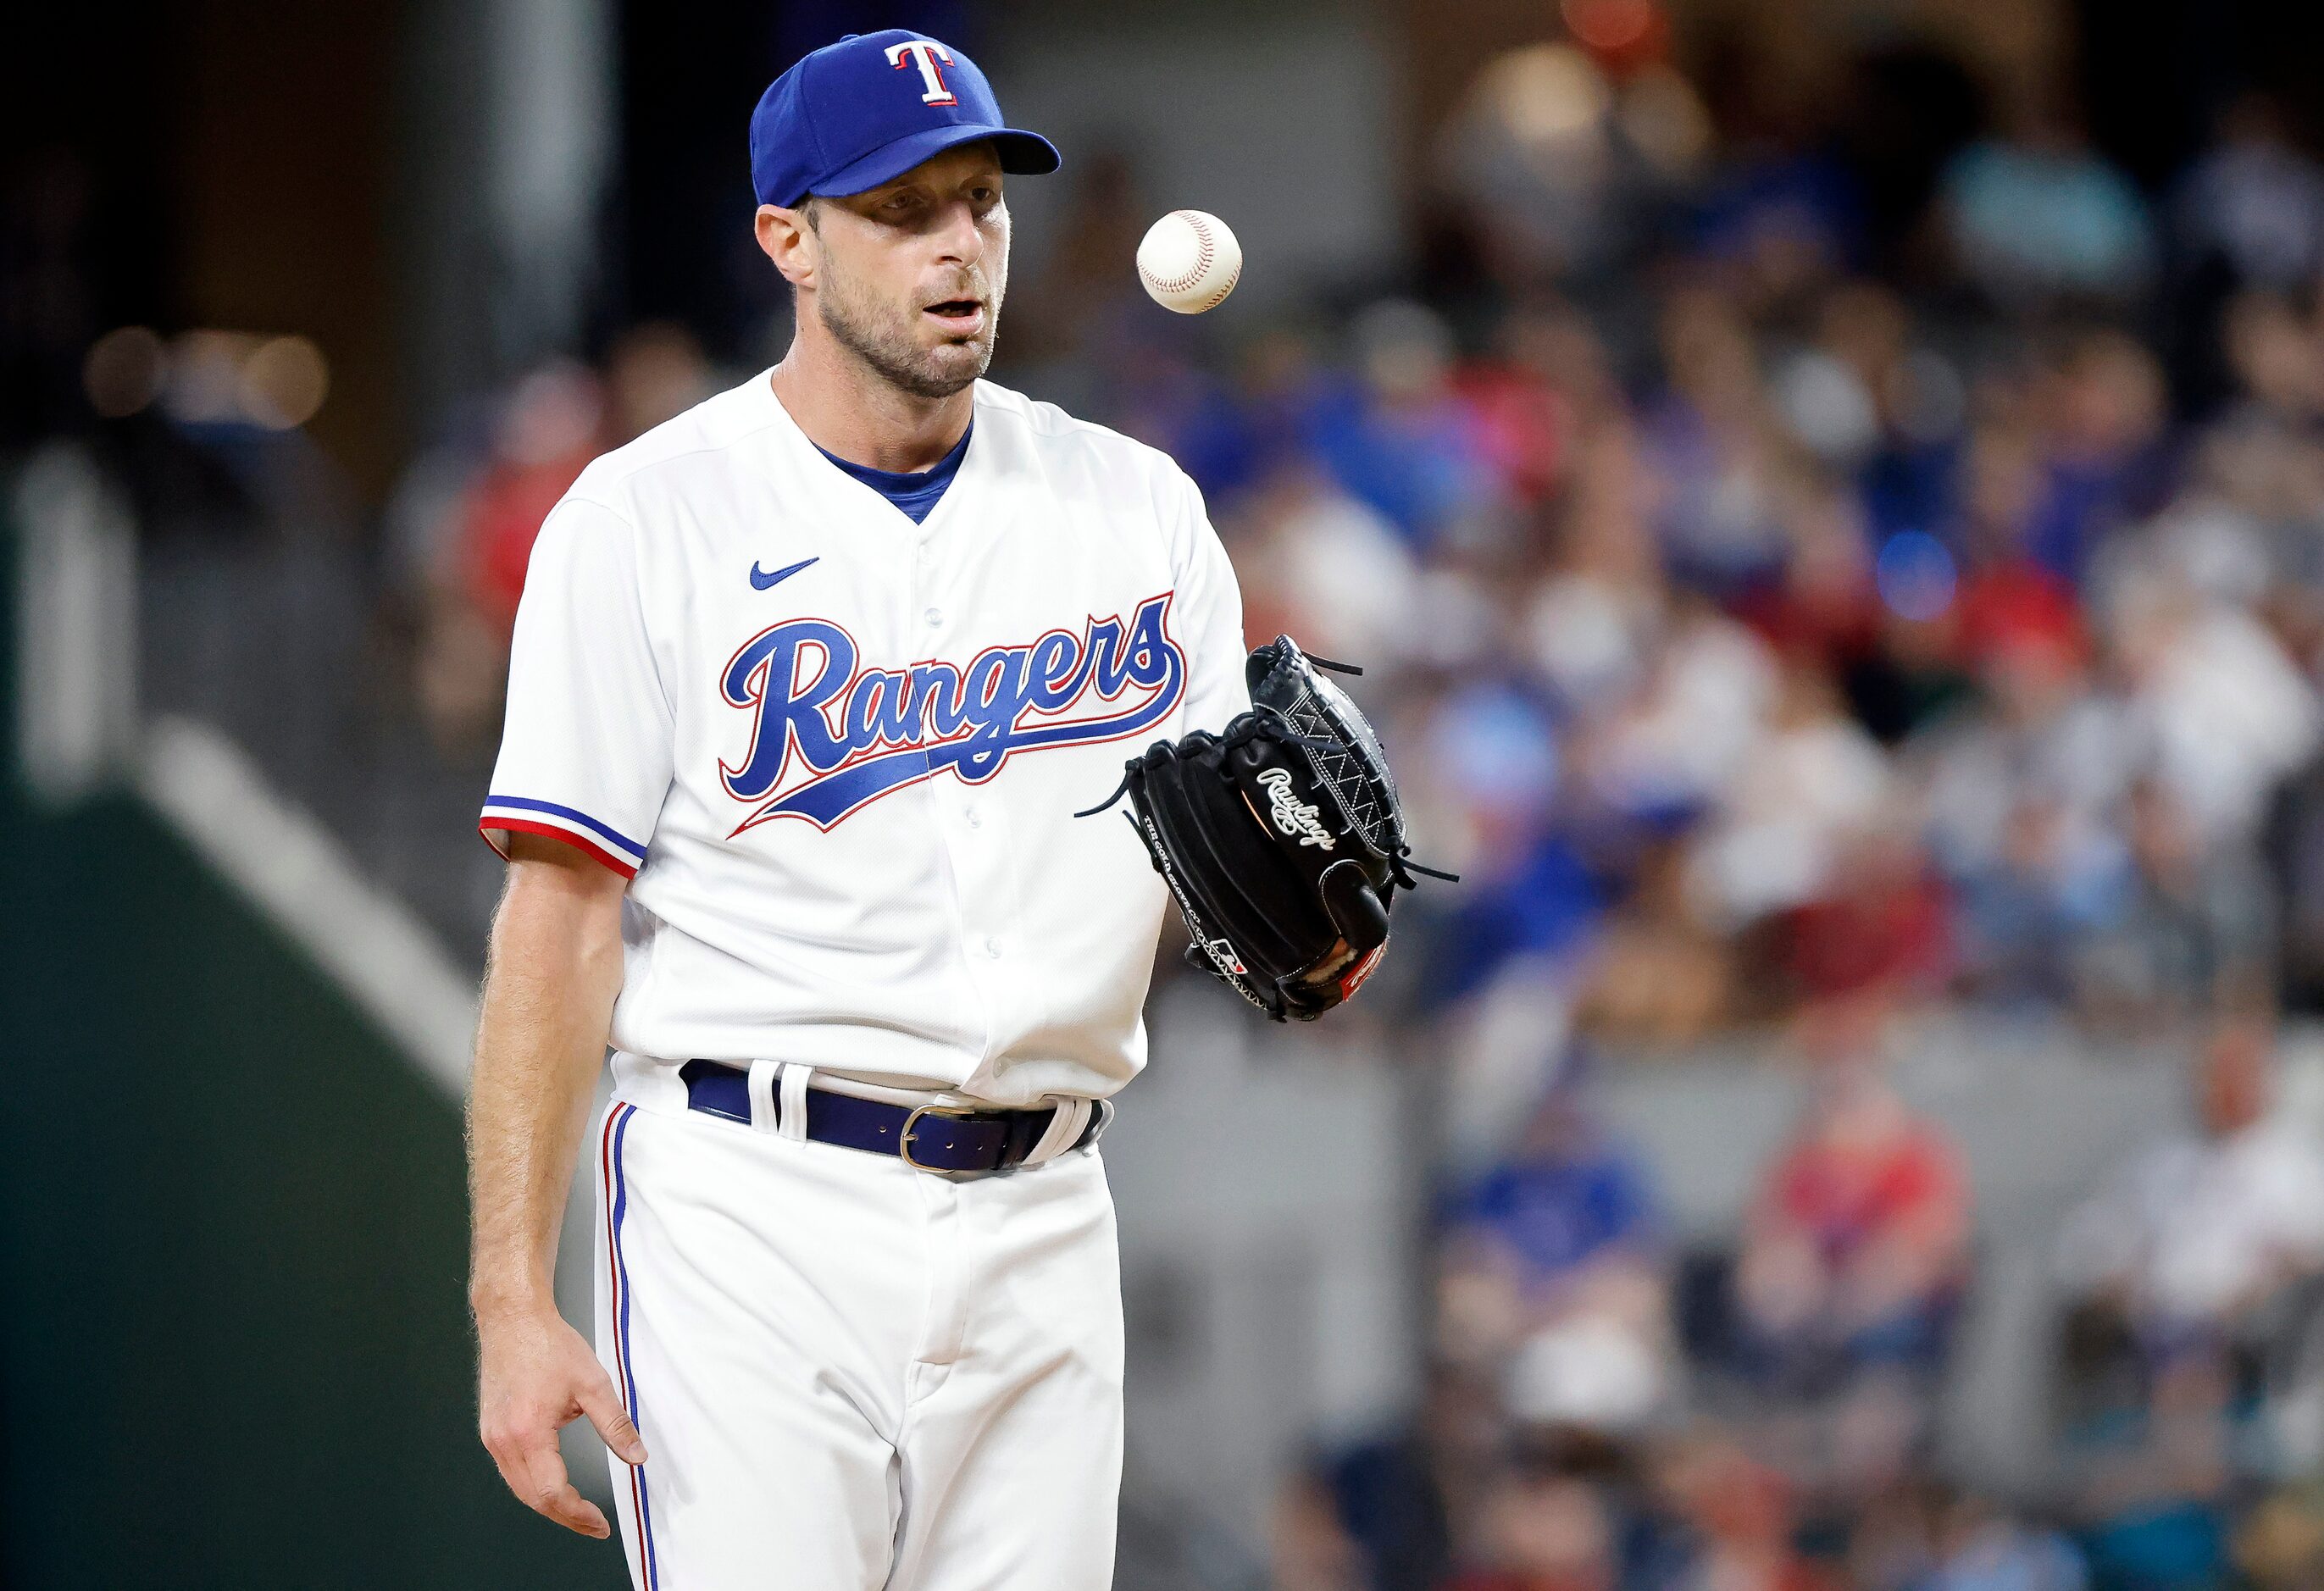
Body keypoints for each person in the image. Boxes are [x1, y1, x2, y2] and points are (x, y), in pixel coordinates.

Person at [463, 31, 1248, 1589]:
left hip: (1045, 1208)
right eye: (902, 210)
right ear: (791, 240)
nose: (960, 246)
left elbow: (1229, 863)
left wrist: (1304, 923)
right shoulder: (645, 518)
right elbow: (558, 924)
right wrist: (510, 1299)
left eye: (982, 202)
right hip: (752, 1207)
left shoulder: (1135, 508)